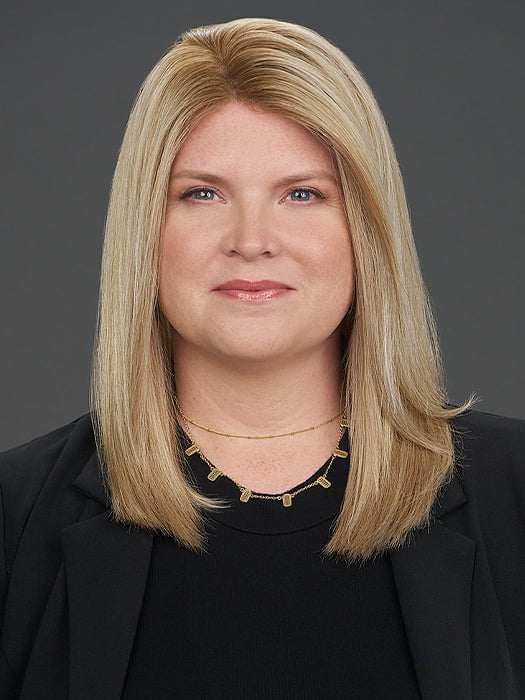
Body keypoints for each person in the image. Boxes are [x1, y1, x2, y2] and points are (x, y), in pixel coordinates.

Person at [0, 16, 523, 700]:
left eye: (302, 193)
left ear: (365, 228)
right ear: (145, 231)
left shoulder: (514, 490)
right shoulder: (15, 515)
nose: (251, 240)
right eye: (202, 193)